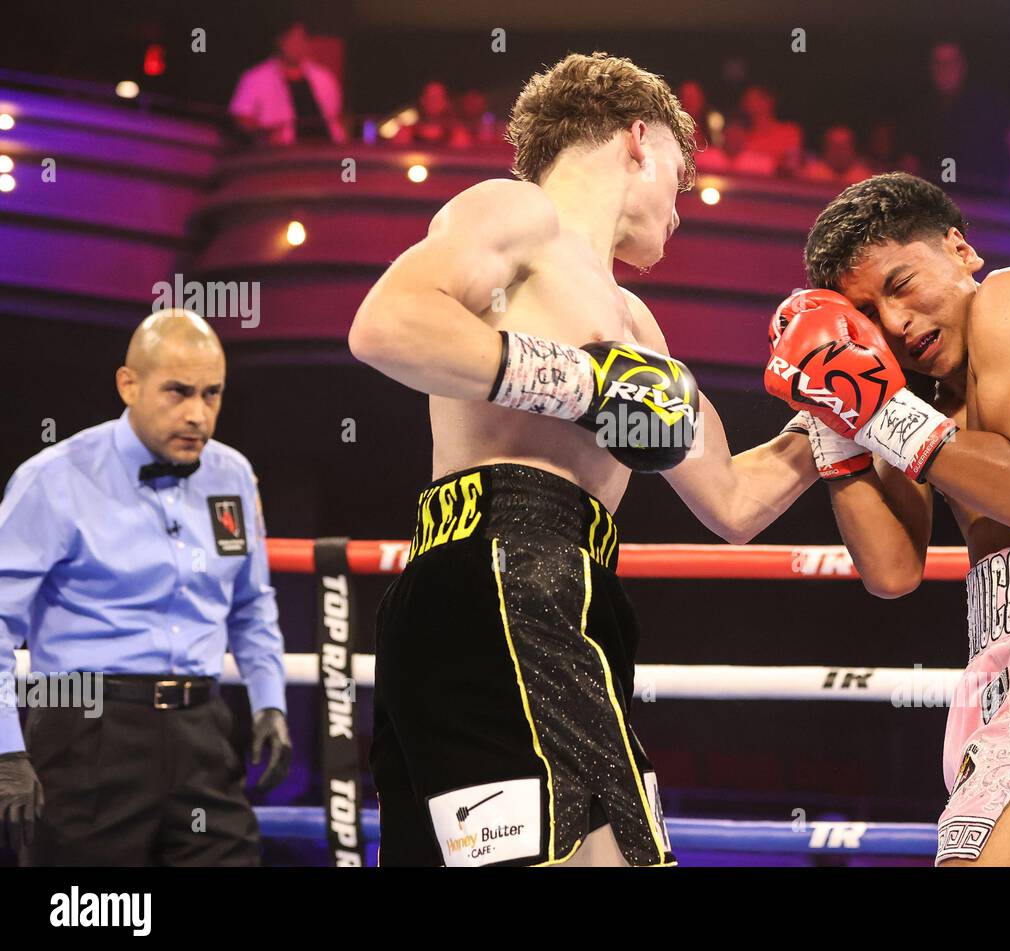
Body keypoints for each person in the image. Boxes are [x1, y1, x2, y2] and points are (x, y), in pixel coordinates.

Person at [349, 51, 822, 867]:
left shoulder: (639, 328)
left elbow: (734, 503)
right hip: (502, 576)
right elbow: (385, 326)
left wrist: (844, 421)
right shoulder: (518, 214)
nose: (684, 205)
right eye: (681, 169)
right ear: (639, 139)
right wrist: (580, 384)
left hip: (565, 595)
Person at [765, 172, 1010, 866]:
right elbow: (892, 570)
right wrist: (839, 431)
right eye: (868, 312)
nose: (895, 324)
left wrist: (882, 412)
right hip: (996, 662)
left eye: (901, 285)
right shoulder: (914, 403)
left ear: (958, 249)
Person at [0, 309, 292, 864]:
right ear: (128, 385)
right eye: (178, 392)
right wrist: (4, 749)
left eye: (212, 394)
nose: (197, 414)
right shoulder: (55, 478)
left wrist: (269, 703)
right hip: (86, 730)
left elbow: (253, 605)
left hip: (203, 731)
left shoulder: (231, 474)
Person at [911, 41, 1010, 198]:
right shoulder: (924, 109)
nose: (944, 70)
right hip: (947, 199)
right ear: (931, 68)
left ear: (962, 66)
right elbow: (915, 158)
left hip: (990, 197)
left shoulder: (986, 100)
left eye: (950, 63)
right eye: (939, 64)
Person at [229, 20, 346, 146]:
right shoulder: (255, 78)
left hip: (326, 149)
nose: (297, 45)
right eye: (292, 39)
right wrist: (264, 132)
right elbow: (241, 117)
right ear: (280, 42)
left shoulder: (324, 78)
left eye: (301, 39)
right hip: (282, 153)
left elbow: (336, 117)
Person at [801, 125, 875, 185]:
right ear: (825, 148)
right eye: (834, 146)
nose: (839, 152)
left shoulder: (865, 179)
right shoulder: (810, 175)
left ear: (852, 149)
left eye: (843, 147)